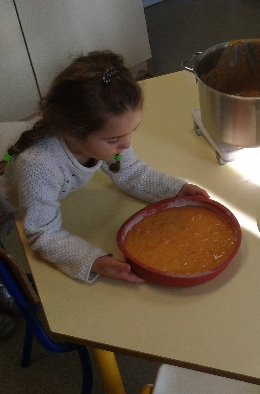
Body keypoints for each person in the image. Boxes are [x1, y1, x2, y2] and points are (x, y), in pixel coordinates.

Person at [0, 50, 209, 284]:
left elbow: (130, 172)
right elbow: (42, 232)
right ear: (73, 133)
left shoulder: (109, 134)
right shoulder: (39, 166)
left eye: (133, 131)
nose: (127, 144)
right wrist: (92, 260)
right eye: (113, 140)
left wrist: (176, 190)